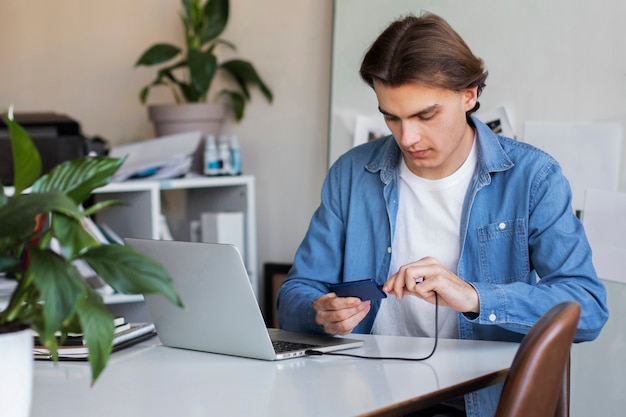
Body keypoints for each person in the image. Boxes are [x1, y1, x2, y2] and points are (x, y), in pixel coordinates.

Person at [276, 12, 608, 417]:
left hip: (472, 404)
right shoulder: (351, 172)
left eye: (424, 115)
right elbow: (295, 293)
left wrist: (473, 296)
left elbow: (587, 310)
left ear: (468, 95)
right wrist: (319, 311)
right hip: (359, 394)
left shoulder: (533, 178)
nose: (407, 138)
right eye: (391, 117)